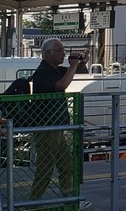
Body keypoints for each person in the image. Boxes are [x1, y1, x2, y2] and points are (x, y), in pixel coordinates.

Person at [29, 38, 86, 200]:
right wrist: (73, 66)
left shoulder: (55, 70)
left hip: (57, 125)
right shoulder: (43, 72)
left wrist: (80, 63)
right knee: (46, 167)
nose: (63, 54)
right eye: (60, 50)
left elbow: (73, 73)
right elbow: (61, 85)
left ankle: (68, 199)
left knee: (66, 165)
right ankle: (33, 202)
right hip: (46, 126)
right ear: (48, 53)